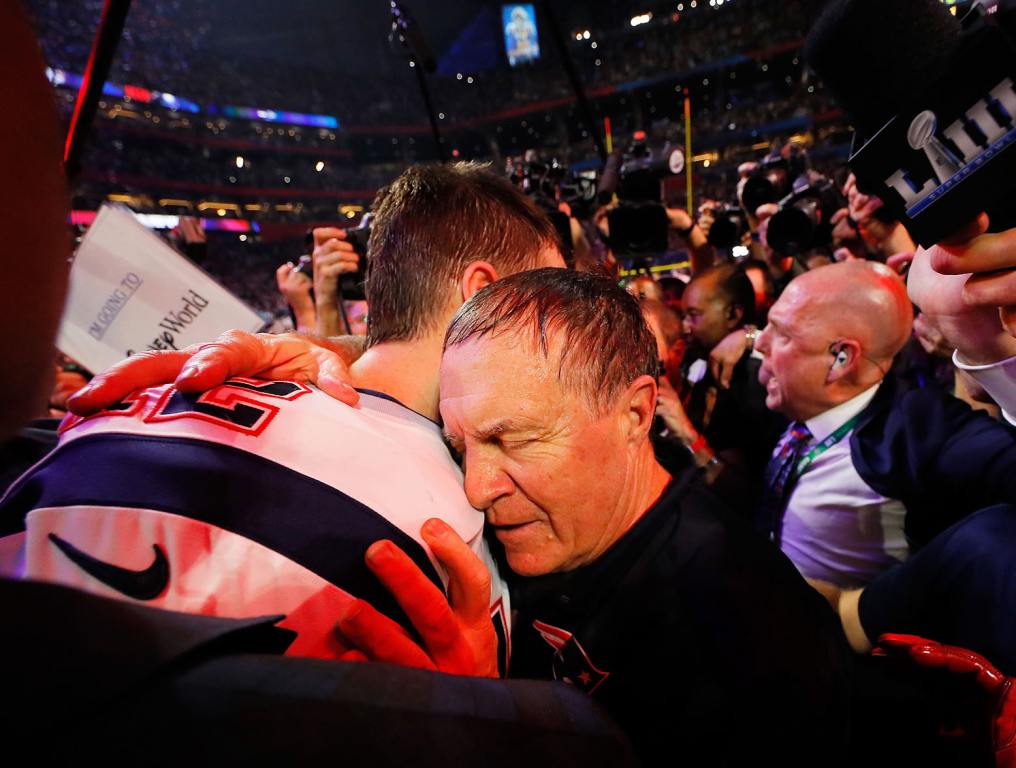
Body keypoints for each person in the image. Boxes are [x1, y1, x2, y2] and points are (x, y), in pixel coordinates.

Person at [0, 162, 566, 661]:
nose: (565, 337)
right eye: (548, 303)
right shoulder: (458, 534)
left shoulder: (148, 394)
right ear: (481, 297)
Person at [339, 268, 853, 765]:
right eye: (460, 446)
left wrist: (487, 719)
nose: (476, 487)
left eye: (513, 439)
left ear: (635, 414)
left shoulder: (744, 630)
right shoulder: (558, 520)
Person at [753, 260, 1016, 588]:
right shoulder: (794, 395)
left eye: (781, 333)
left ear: (841, 359)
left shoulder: (921, 434)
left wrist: (995, 356)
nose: (758, 343)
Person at [656, 264, 785, 507]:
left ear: (733, 315)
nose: (685, 327)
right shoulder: (703, 363)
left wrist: (686, 434)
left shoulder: (760, 381)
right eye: (683, 316)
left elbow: (753, 494)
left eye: (693, 315)